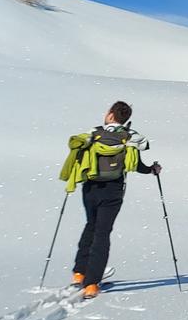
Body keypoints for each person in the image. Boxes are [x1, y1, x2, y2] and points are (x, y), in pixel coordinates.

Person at [58, 101, 161, 300]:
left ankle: (79, 273)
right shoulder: (129, 137)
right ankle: (92, 284)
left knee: (91, 225)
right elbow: (136, 164)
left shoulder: (94, 134)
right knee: (102, 233)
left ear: (111, 115)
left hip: (90, 186)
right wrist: (152, 170)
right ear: (126, 119)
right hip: (113, 190)